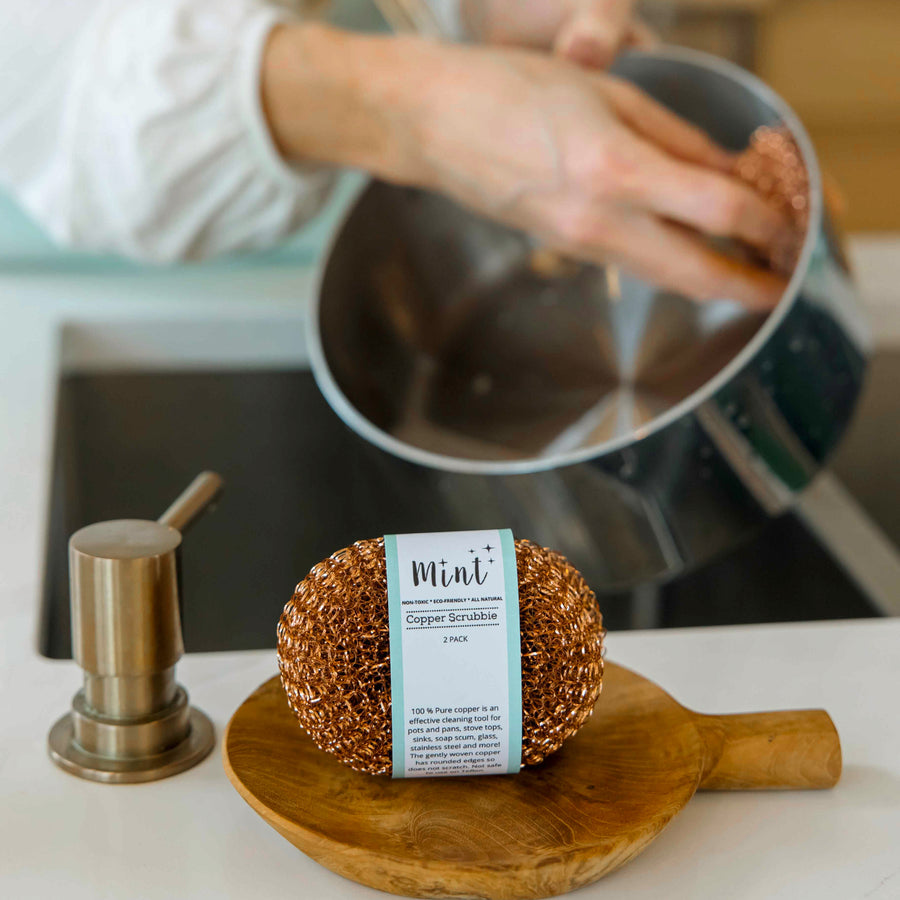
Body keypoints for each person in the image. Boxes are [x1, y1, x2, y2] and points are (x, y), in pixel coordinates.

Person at [0, 0, 790, 307]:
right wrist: (410, 102)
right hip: (99, 297)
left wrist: (471, 11)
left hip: (481, 219)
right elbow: (50, 89)